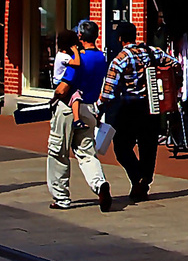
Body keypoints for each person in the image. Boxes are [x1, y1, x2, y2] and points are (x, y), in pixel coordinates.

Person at [101, 20, 176, 202]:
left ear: (120, 38)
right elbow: (174, 63)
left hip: (128, 109)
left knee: (121, 146)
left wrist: (100, 108)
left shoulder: (120, 59)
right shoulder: (152, 52)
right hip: (151, 107)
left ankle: (138, 177)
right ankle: (144, 184)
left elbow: (108, 92)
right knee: (148, 146)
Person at [48, 21, 112, 212]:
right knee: (86, 152)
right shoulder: (101, 57)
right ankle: (99, 183)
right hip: (89, 107)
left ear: (81, 37)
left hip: (69, 107)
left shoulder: (78, 57)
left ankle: (61, 198)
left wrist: (55, 95)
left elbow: (64, 86)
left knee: (58, 152)